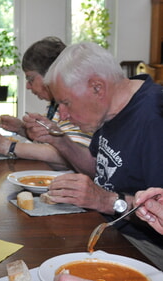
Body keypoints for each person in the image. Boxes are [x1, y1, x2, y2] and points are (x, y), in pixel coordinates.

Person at [41, 42, 163, 269]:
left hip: (145, 245)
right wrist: (60, 142)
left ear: (97, 87)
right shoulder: (111, 108)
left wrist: (106, 200)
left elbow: (159, 212)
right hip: (107, 224)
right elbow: (98, 167)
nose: (62, 115)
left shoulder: (155, 118)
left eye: (65, 103)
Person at [0, 37, 91, 170]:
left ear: (52, 74)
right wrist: (22, 129)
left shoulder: (75, 106)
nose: (28, 86)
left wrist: (8, 146)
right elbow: (50, 142)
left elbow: (68, 155)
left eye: (31, 79)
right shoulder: (54, 104)